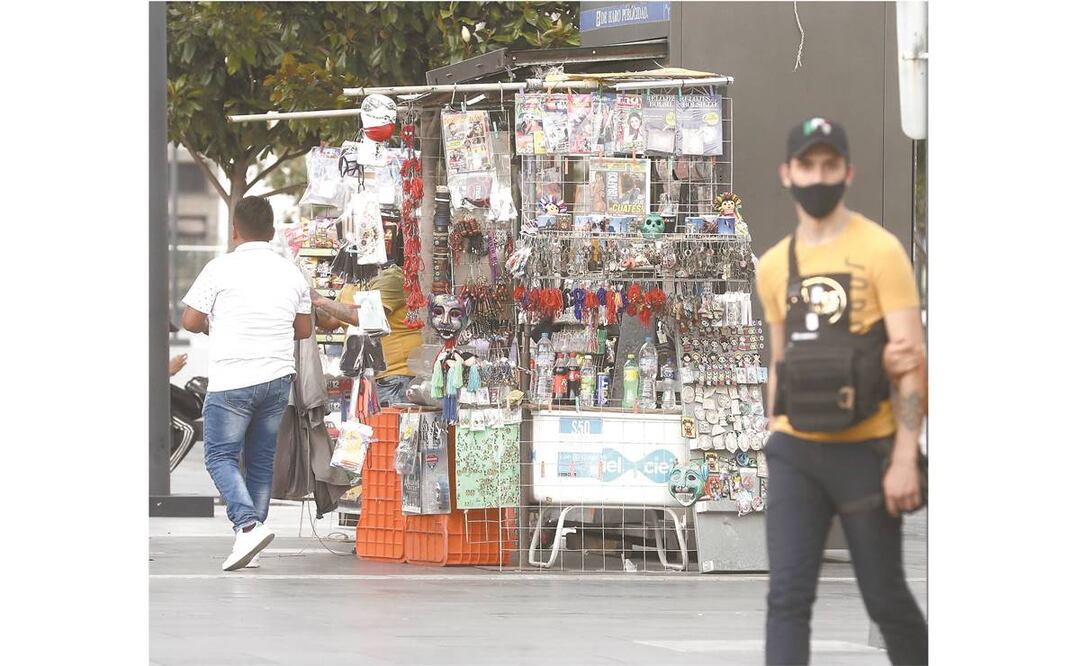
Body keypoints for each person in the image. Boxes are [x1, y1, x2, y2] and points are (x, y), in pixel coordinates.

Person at [755, 118, 928, 665]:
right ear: (788, 173)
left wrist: (905, 457)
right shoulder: (773, 265)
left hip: (866, 452)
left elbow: (912, 361)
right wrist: (771, 433)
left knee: (885, 599)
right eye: (808, 165)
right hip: (795, 450)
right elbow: (781, 360)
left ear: (848, 172)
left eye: (830, 165)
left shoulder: (882, 252)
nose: (818, 176)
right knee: (786, 599)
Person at [181, 196, 312, 571]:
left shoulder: (219, 268)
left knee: (219, 456)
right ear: (272, 232)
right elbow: (302, 329)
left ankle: (248, 525)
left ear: (234, 230)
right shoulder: (291, 272)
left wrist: (216, 323)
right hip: (275, 379)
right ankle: (248, 541)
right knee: (260, 461)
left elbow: (190, 321)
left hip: (233, 380)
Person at [311, 263, 422, 406]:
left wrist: (318, 299)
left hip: (394, 378)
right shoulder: (353, 283)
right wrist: (304, 304)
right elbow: (331, 320)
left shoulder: (392, 277)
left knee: (388, 426)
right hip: (367, 377)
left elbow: (365, 317)